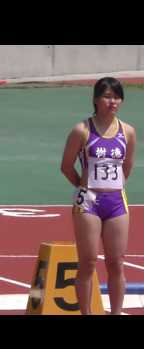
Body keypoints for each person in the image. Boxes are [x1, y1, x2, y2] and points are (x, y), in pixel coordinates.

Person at [61, 77, 136, 315]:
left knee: (116, 263)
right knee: (89, 262)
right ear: (95, 99)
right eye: (107, 96)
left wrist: (112, 186)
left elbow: (127, 167)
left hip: (116, 202)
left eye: (116, 97)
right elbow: (66, 166)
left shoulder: (128, 132)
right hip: (89, 202)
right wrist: (84, 186)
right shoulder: (82, 130)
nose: (112, 102)